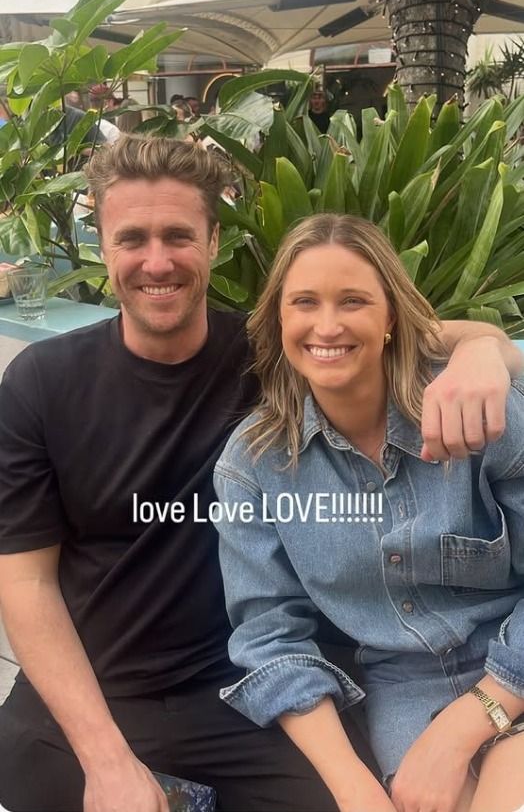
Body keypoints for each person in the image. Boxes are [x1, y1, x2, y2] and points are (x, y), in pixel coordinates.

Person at [0, 136, 521, 812]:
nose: (157, 261)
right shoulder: (43, 382)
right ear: (101, 245)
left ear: (214, 242)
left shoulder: (272, 354)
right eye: (132, 239)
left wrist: (485, 351)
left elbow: (385, 328)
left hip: (227, 685)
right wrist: (107, 760)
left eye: (178, 236)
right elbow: (25, 582)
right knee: (37, 779)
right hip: (98, 685)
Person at [213, 213, 524, 812]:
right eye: (305, 302)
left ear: (390, 319)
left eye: (353, 300)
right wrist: (355, 790)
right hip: (404, 694)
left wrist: (473, 719)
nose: (327, 325)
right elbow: (270, 638)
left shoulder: (477, 412)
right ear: (279, 319)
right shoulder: (253, 466)